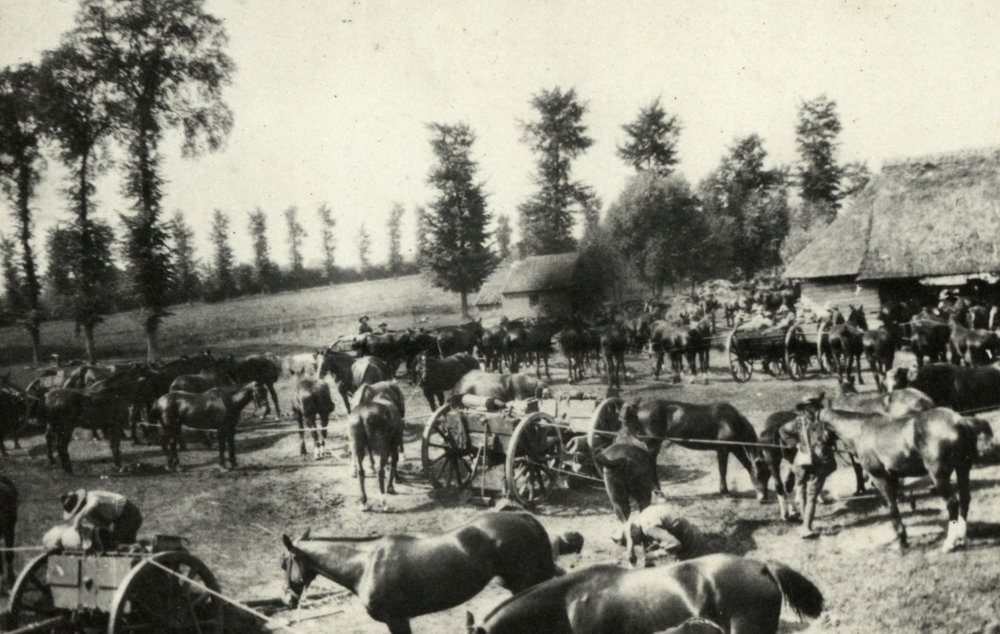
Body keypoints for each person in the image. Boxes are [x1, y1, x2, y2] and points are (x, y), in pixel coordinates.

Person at [624, 503, 705, 567]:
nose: (638, 543)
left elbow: (675, 544)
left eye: (635, 541)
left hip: (691, 543)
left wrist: (654, 554)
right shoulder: (642, 517)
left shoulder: (648, 528)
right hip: (688, 532)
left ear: (633, 533)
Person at [61, 489, 142, 551]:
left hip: (129, 512)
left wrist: (78, 518)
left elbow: (94, 503)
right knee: (115, 543)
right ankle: (142, 545)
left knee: (122, 544)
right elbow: (103, 525)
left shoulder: (91, 496)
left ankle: (143, 546)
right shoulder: (88, 515)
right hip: (118, 520)